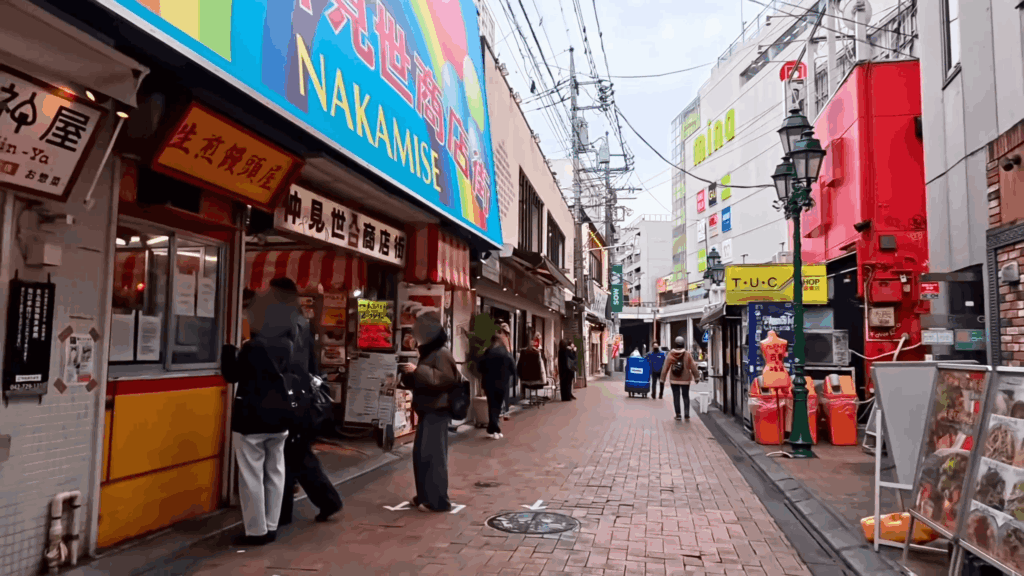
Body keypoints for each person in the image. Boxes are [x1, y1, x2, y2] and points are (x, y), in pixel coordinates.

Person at [264, 278, 343, 527]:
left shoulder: (279, 323)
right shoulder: (302, 321)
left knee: (291, 455)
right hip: (302, 397)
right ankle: (287, 510)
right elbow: (311, 363)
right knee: (293, 454)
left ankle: (319, 503)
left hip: (287, 397)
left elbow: (280, 364)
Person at [223, 295, 296, 546]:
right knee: (276, 471)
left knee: (251, 474)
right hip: (280, 417)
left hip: (251, 418)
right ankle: (272, 525)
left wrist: (229, 349)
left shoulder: (252, 347)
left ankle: (256, 531)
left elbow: (232, 375)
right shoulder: (287, 345)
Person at [399, 312, 459, 512]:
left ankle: (439, 501)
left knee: (434, 457)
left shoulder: (442, 353)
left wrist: (417, 370)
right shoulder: (430, 352)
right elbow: (426, 381)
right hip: (428, 410)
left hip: (438, 411)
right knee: (422, 455)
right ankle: (425, 495)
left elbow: (444, 379)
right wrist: (408, 376)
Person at [478, 334, 516, 438]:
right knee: (497, 406)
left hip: (489, 384)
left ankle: (493, 429)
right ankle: (494, 429)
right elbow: (513, 368)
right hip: (502, 383)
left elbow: (479, 367)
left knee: (492, 406)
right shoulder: (506, 353)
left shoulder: (487, 352)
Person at [661, 337, 700, 421]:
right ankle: (687, 414)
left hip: (674, 379)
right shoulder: (687, 354)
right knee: (685, 396)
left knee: (676, 396)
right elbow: (693, 366)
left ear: (675, 344)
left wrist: (662, 379)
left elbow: (665, 367)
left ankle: (678, 415)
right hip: (685, 379)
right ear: (683, 344)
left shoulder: (671, 354)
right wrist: (696, 377)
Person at [517, 334, 547, 398]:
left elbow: (519, 367)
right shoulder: (537, 353)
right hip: (536, 380)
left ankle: (525, 395)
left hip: (525, 380)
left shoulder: (524, 352)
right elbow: (541, 368)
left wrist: (520, 377)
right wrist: (544, 380)